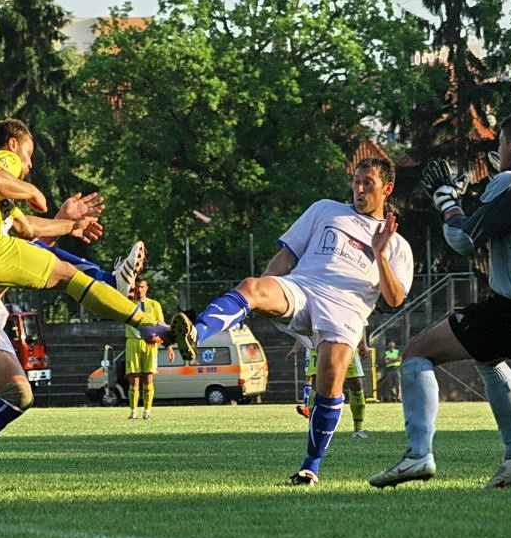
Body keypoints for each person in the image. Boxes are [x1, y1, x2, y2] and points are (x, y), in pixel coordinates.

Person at [0, 119, 188, 494]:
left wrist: (67, 226)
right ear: (11, 146)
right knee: (68, 276)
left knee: (5, 384)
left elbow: (27, 230)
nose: (29, 163)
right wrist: (33, 192)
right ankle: (141, 317)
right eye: (29, 155)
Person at [169, 157, 414, 485]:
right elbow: (287, 257)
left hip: (345, 309)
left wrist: (380, 253)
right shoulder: (325, 209)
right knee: (251, 286)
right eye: (355, 181)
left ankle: (310, 467)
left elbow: (395, 298)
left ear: (388, 188)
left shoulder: (397, 245)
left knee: (330, 378)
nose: (358, 188)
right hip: (302, 286)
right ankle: (196, 334)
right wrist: (262, 296)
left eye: (367, 182)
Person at [369, 111, 511, 490]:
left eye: (500, 143)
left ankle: (418, 456)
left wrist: (448, 202)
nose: (497, 150)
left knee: (417, 352)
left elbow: (464, 240)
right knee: (487, 356)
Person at [288, 341, 371, 437]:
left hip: (347, 342)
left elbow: (362, 325)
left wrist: (363, 343)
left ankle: (358, 429)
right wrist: (295, 348)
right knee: (315, 382)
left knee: (355, 382)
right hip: (320, 342)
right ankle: (313, 428)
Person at [125, 277, 174, 420]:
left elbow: (162, 326)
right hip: (133, 342)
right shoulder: (128, 303)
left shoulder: (154, 305)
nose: (139, 290)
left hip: (150, 343)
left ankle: (147, 411)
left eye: (142, 287)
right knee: (133, 378)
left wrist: (168, 346)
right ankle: (133, 412)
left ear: (147, 288)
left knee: (148, 377)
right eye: (137, 287)